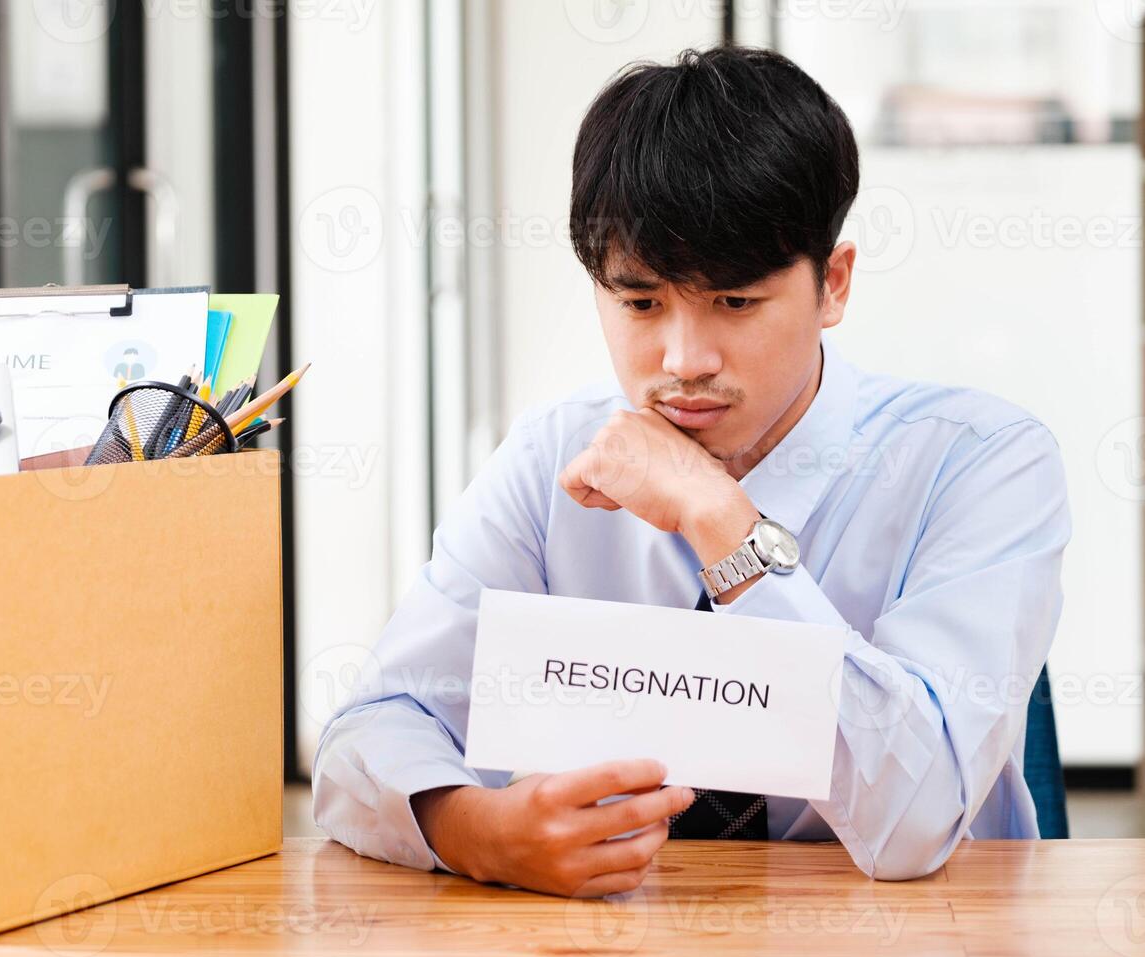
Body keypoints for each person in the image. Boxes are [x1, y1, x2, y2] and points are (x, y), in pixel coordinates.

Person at [312, 46, 1070, 896]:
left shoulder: (979, 460)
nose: (683, 359)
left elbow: (915, 823)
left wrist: (723, 523)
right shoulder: (552, 459)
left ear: (834, 285)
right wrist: (476, 831)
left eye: (736, 302)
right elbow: (363, 741)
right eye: (641, 303)